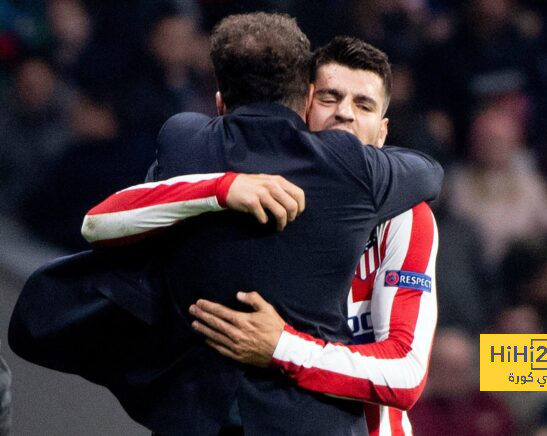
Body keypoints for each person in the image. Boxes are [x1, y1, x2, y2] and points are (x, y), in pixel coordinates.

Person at [10, 14, 443, 436]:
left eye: (363, 104)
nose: (345, 114)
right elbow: (103, 220)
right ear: (303, 101)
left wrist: (282, 347)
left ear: (383, 133)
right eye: (330, 97)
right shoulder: (224, 173)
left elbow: (405, 374)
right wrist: (220, 187)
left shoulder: (406, 217)